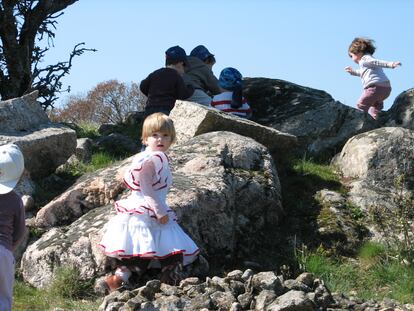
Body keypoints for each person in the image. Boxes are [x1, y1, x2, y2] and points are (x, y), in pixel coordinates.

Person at [99, 113, 199, 291]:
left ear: (172, 138)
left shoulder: (155, 157)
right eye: (155, 135)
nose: (160, 139)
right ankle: (118, 280)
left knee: (163, 246)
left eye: (165, 135)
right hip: (146, 209)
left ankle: (167, 278)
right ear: (145, 139)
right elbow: (146, 188)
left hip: (151, 207)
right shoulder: (151, 159)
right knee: (148, 249)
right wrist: (159, 211)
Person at [345, 37, 401, 120]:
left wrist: (391, 64)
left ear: (357, 52)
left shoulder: (365, 59)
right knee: (374, 108)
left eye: (351, 56)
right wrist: (353, 72)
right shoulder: (366, 62)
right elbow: (362, 72)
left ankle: (359, 121)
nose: (352, 59)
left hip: (375, 89)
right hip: (385, 90)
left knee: (361, 105)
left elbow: (377, 62)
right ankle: (376, 118)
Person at [0, 144, 26, 311]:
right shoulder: (15, 200)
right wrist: (8, 250)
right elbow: (19, 232)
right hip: (2, 252)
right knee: (3, 297)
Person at [140, 45, 194, 115]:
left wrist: (152, 95)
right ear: (181, 63)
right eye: (185, 66)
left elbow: (142, 86)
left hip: (150, 108)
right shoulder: (176, 76)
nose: (184, 71)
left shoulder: (155, 73)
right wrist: (191, 88)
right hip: (166, 110)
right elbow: (183, 94)